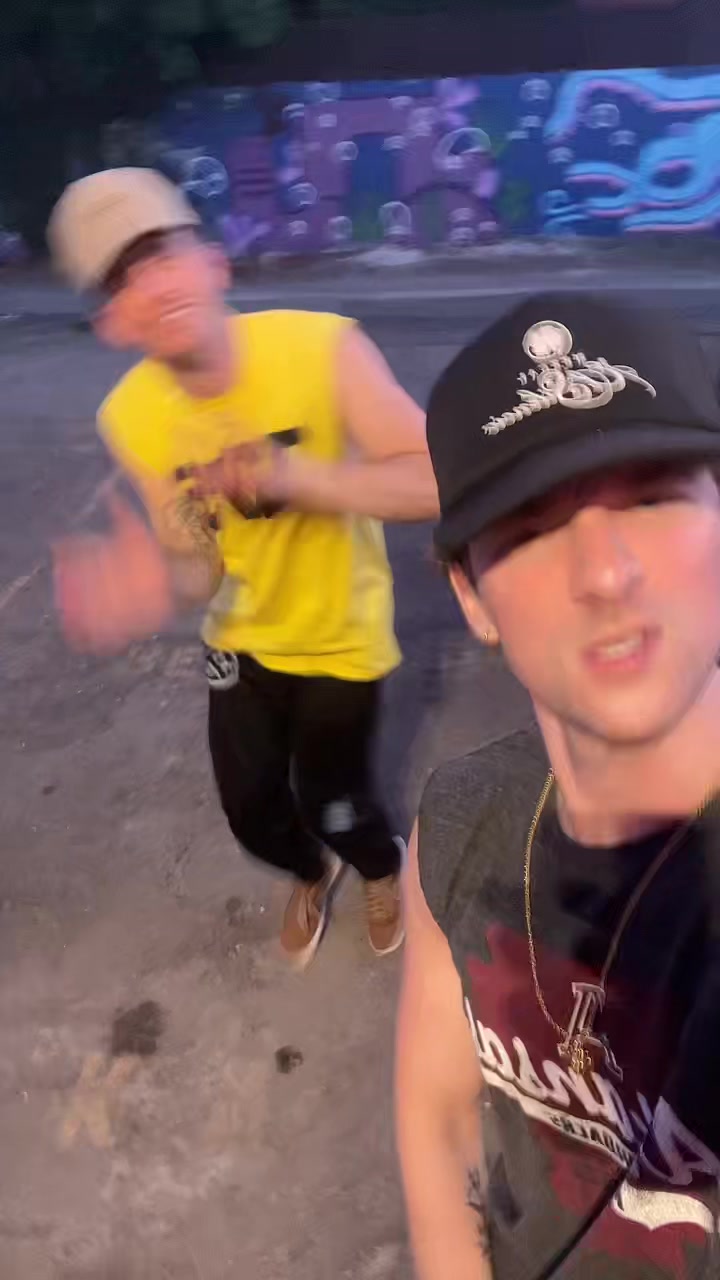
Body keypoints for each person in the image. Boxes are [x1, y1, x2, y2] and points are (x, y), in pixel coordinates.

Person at [395, 293, 720, 1279]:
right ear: (471, 595)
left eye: (653, 495)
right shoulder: (461, 817)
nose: (605, 573)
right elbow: (440, 1109)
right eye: (532, 526)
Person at [47, 167, 439, 968]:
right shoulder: (132, 415)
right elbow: (200, 567)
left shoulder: (322, 349)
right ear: (112, 321)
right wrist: (159, 586)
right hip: (242, 640)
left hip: (341, 637)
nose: (153, 285)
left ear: (213, 262)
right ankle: (310, 873)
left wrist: (296, 476)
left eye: (162, 253)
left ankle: (378, 865)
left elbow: (438, 476)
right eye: (122, 278)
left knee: (337, 802)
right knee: (252, 813)